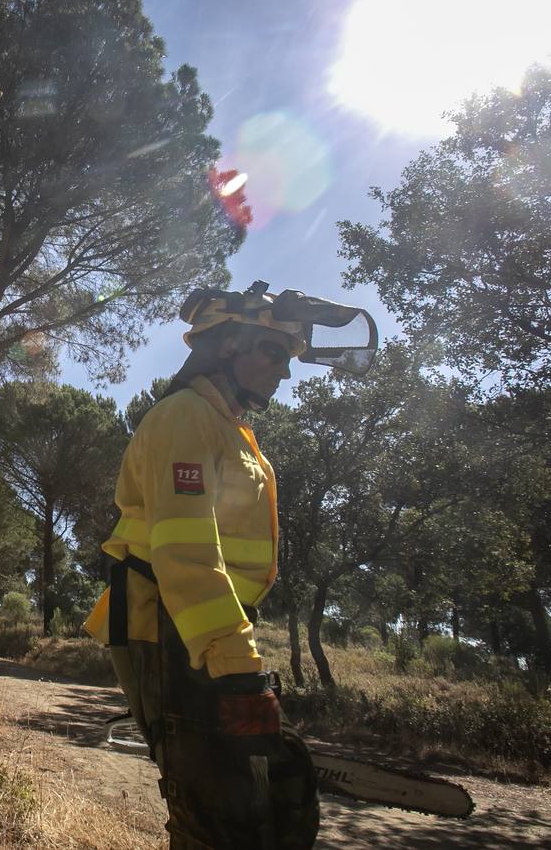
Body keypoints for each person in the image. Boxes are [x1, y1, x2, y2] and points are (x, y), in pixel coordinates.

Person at [85, 281, 376, 849]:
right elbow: (185, 550)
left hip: (199, 632)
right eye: (273, 352)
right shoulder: (185, 416)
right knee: (219, 818)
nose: (285, 372)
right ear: (225, 346)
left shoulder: (230, 429)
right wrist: (234, 664)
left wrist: (230, 650)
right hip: (172, 632)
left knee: (259, 806)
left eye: (290, 357)